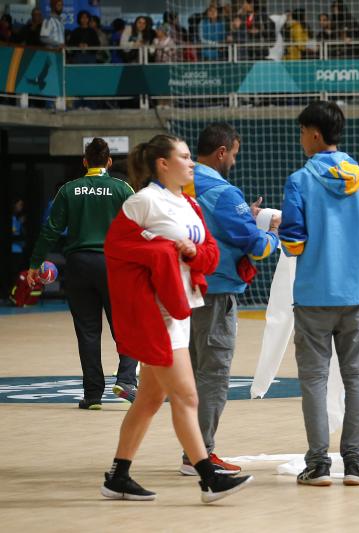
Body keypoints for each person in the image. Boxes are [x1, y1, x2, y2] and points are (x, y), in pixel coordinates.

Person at [101, 134, 252, 503]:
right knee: (186, 395)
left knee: (149, 400)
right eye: (184, 157)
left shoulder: (188, 203)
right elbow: (116, 248)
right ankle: (207, 478)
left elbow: (211, 253)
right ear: (162, 164)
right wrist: (166, 250)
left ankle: (118, 476)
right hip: (156, 314)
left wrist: (192, 251)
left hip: (182, 310)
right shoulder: (143, 201)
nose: (190, 163)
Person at [279, 100, 359, 486]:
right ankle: (356, 463)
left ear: (313, 133)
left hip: (313, 295)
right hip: (357, 296)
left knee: (313, 380)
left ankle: (317, 465)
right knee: (356, 379)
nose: (299, 140)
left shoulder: (299, 181)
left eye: (300, 133)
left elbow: (293, 243)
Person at [183, 122, 280, 476]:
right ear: (222, 152)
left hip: (183, 292)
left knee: (191, 374)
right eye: (234, 154)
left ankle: (191, 451)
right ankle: (201, 456)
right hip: (216, 293)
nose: (235, 162)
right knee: (213, 374)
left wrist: (247, 218)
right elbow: (255, 247)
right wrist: (271, 233)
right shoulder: (223, 192)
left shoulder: (182, 184)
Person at [27, 138, 138, 409]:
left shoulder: (69, 190)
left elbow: (51, 229)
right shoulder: (123, 188)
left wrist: (34, 263)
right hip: (114, 265)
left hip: (78, 265)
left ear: (85, 162)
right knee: (127, 325)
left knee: (88, 331)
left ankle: (92, 395)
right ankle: (126, 380)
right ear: (109, 162)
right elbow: (139, 226)